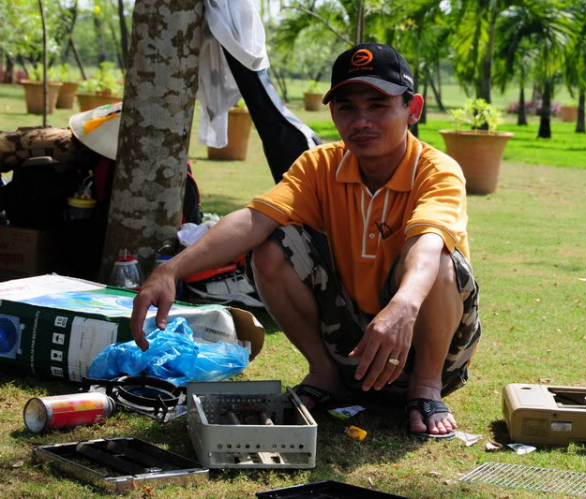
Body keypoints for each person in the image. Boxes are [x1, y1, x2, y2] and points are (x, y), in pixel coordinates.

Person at [130, 43, 481, 439]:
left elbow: (428, 244)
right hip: (350, 345)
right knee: (271, 246)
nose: (361, 121)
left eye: (378, 105)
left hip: (423, 341)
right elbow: (253, 219)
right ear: (333, 113)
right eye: (347, 107)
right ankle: (326, 375)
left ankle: (426, 389)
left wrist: (402, 305)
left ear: (412, 109)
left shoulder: (437, 170)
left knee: (440, 262)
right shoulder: (319, 165)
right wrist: (171, 269)